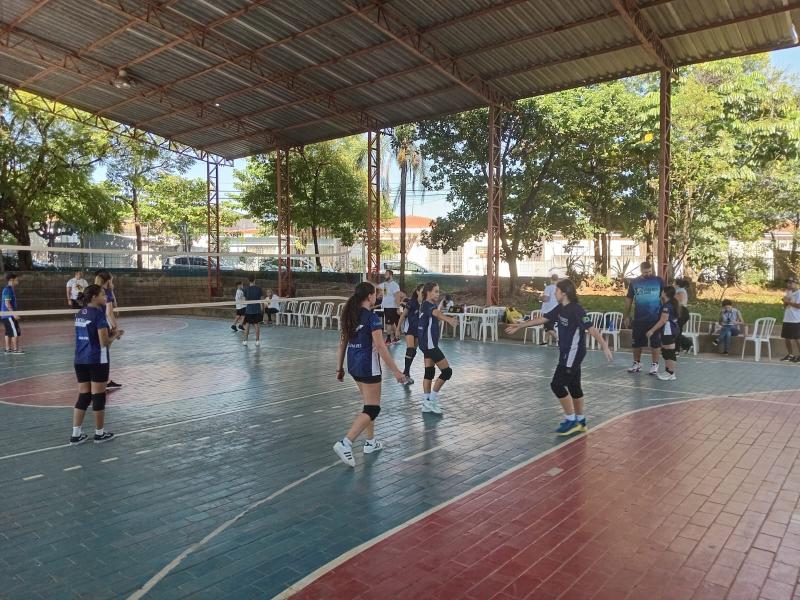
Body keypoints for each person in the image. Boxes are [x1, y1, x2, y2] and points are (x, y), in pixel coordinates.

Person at [506, 279, 613, 435]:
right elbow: (543, 319)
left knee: (557, 385)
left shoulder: (577, 310)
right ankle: (580, 420)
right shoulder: (561, 308)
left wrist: (604, 345)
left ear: (564, 293)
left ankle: (570, 420)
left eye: (556, 291)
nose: (554, 293)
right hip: (567, 353)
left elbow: (591, 328)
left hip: (573, 353)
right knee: (574, 387)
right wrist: (520, 325)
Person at [333, 282, 404, 468]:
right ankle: (345, 442)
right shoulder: (372, 318)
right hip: (368, 367)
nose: (377, 297)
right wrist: (396, 371)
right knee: (373, 409)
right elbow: (381, 347)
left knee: (368, 405)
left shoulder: (350, 315)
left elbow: (342, 344)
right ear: (370, 296)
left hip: (354, 366)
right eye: (375, 294)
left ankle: (370, 442)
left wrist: (339, 368)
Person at [70, 284, 123, 445]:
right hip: (97, 360)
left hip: (80, 359)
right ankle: (99, 434)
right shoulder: (98, 315)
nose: (105, 297)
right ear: (94, 297)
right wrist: (116, 335)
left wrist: (110, 334)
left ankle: (76, 435)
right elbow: (103, 342)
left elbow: (90, 336)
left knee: (84, 396)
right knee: (99, 396)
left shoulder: (80, 313)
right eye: (102, 294)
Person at [417, 282, 458, 415]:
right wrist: (449, 320)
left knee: (429, 372)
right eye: (435, 291)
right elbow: (437, 314)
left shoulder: (429, 304)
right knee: (447, 372)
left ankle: (426, 402)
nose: (438, 294)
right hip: (429, 345)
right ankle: (432, 400)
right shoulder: (427, 305)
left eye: (438, 291)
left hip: (427, 344)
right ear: (428, 292)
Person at [624, 261, 664, 375]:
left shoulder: (658, 281)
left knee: (655, 343)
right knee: (636, 343)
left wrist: (665, 313)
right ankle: (636, 363)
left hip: (655, 318)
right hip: (639, 318)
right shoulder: (634, 283)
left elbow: (664, 297)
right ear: (641, 271)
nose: (648, 274)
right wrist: (626, 316)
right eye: (646, 272)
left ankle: (655, 364)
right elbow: (629, 300)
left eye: (650, 271)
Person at [646, 286, 680, 380]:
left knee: (669, 352)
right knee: (665, 351)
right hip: (667, 331)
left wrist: (652, 330)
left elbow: (663, 320)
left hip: (669, 330)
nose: (661, 292)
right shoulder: (667, 303)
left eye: (662, 291)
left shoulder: (668, 306)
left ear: (665, 293)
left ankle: (671, 373)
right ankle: (667, 371)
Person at [94, 271, 121, 388]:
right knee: (104, 353)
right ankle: (103, 382)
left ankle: (101, 380)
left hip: (92, 324)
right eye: (112, 280)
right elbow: (109, 313)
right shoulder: (106, 293)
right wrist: (116, 330)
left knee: (99, 353)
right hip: (102, 325)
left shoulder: (94, 290)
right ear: (108, 281)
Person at [397, 284, 424, 386]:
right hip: (410, 329)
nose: (424, 292)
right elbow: (403, 315)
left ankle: (406, 371)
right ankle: (406, 373)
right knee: (410, 349)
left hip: (419, 330)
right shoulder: (411, 302)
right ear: (417, 291)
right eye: (422, 290)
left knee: (413, 351)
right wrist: (398, 329)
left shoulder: (425, 303)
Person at [2, 273, 24, 354]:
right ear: (11, 280)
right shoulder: (7, 290)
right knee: (15, 332)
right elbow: (7, 304)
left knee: (8, 332)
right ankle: (16, 350)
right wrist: (13, 314)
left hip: (6, 315)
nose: (17, 281)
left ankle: (8, 349)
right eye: (16, 279)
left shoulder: (11, 289)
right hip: (9, 315)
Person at [378, 269, 401, 344]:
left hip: (391, 307)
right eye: (385, 274)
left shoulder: (394, 285)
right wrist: (367, 282)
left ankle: (388, 339)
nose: (385, 275)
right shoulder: (385, 284)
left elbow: (397, 297)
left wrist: (398, 308)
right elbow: (378, 287)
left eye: (386, 274)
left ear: (390, 275)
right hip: (386, 306)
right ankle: (396, 337)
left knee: (388, 323)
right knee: (392, 323)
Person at [780, 277, 800, 362]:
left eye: (790, 283)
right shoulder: (789, 292)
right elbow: (785, 306)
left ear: (796, 283)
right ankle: (790, 355)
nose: (788, 284)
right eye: (787, 283)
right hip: (787, 318)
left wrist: (788, 301)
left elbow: (799, 306)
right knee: (787, 338)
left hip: (795, 319)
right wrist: (785, 301)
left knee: (797, 338)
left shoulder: (799, 293)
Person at [242, 274, 265, 347]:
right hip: (257, 310)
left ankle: (245, 341)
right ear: (255, 279)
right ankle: (257, 341)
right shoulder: (259, 289)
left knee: (247, 325)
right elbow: (261, 300)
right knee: (256, 325)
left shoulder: (246, 289)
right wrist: (263, 308)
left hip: (249, 310)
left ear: (248, 280)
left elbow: (245, 299)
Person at [540, 273, 559, 346]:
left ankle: (558, 339)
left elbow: (546, 299)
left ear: (551, 279)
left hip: (548, 310)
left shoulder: (548, 288)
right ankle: (545, 341)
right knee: (549, 326)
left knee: (548, 326)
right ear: (557, 280)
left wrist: (540, 297)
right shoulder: (559, 288)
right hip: (556, 310)